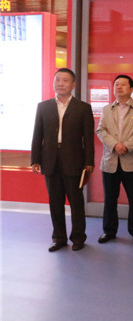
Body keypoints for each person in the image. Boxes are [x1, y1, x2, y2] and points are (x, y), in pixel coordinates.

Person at [31, 68, 95, 252]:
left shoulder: (83, 108)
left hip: (74, 160)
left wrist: (89, 162)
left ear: (73, 85)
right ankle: (59, 238)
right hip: (50, 160)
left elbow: (88, 138)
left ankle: (78, 237)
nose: (60, 83)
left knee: (76, 202)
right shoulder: (43, 107)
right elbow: (37, 134)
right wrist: (35, 159)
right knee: (55, 202)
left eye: (65, 80)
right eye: (57, 79)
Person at [96, 75, 133, 244]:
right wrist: (115, 145)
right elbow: (101, 130)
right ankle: (109, 231)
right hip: (110, 160)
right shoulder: (106, 109)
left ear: (132, 89)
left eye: (123, 84)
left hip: (132, 161)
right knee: (110, 199)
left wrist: (126, 146)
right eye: (116, 84)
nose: (118, 87)